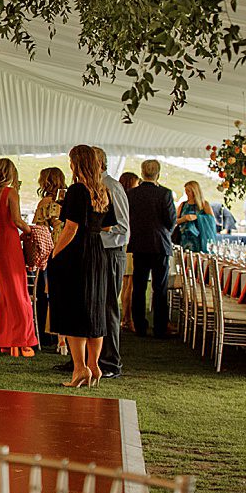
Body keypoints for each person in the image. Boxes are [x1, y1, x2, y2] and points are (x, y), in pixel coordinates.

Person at [48, 145, 114, 387]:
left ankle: (79, 369)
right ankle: (94, 365)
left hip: (78, 252)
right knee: (95, 309)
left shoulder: (77, 190)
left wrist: (55, 253)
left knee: (75, 310)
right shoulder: (102, 190)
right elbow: (107, 226)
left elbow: (71, 228)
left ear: (78, 163)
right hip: (98, 251)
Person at [0, 158, 37, 357]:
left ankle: (0, 338)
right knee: (18, 291)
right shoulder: (10, 192)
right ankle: (21, 339)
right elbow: (17, 220)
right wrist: (32, 231)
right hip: (10, 243)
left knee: (3, 293)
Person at [126, 159, 178, 338]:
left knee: (139, 287)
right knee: (159, 287)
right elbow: (171, 221)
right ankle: (160, 327)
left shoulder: (132, 194)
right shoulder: (165, 193)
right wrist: (165, 232)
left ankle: (140, 326)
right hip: (160, 244)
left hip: (139, 244)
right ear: (158, 173)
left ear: (142, 173)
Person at [92, 147, 130, 379]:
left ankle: (110, 362)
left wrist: (94, 231)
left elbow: (123, 228)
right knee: (93, 305)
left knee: (108, 307)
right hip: (97, 252)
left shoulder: (112, 187)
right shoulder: (93, 188)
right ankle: (90, 359)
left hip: (111, 252)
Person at [32, 167, 67, 353]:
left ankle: (47, 334)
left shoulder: (45, 202)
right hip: (69, 243)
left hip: (52, 246)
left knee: (47, 291)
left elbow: (39, 229)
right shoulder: (69, 197)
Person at [118, 172, 140, 333]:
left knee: (125, 284)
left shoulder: (119, 198)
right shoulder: (131, 201)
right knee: (129, 285)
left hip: (122, 244)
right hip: (131, 243)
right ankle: (127, 319)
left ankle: (125, 318)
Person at [176, 182, 218, 253]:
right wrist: (184, 218)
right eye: (185, 191)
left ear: (194, 191)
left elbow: (211, 221)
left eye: (188, 191)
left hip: (200, 240)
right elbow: (175, 221)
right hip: (184, 238)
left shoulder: (204, 205)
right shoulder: (183, 205)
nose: (186, 193)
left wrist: (197, 217)